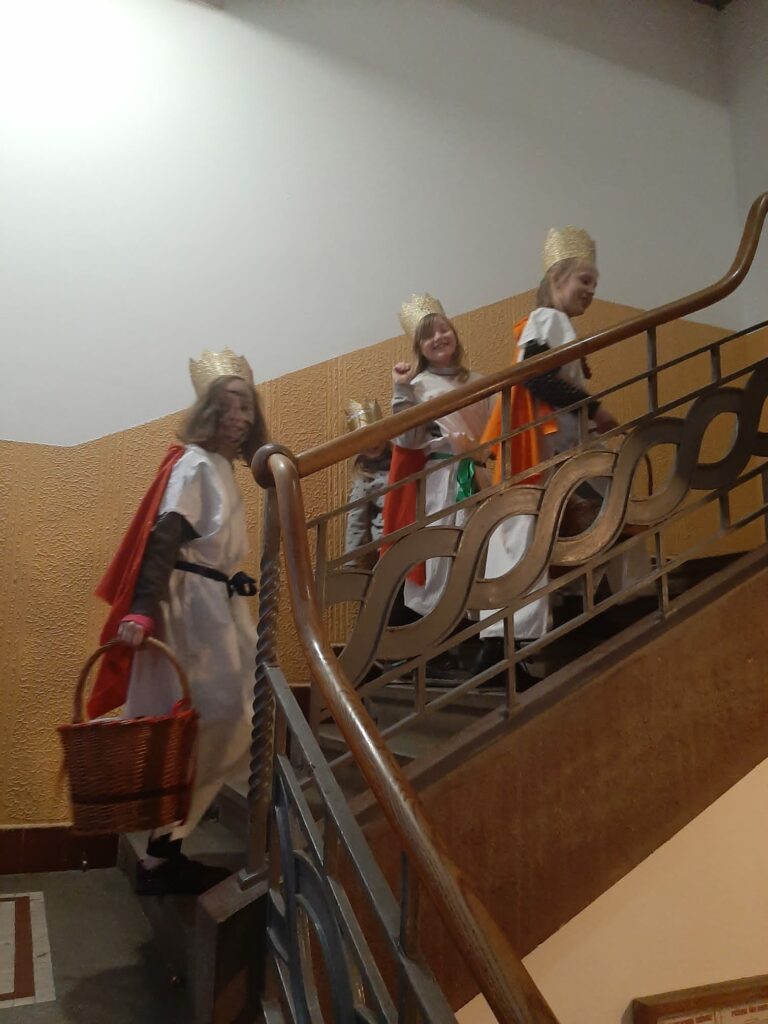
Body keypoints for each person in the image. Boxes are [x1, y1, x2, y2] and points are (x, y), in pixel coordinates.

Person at [88, 349, 268, 895]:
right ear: (209, 412)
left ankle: (166, 850)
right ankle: (162, 855)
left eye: (246, 406)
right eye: (228, 406)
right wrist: (143, 608)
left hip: (216, 602)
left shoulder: (220, 467)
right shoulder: (193, 463)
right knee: (206, 717)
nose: (239, 417)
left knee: (234, 714)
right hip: (191, 608)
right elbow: (163, 536)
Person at [384, 294, 492, 624]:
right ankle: (440, 624)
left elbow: (495, 431)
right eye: (427, 335)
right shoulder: (417, 386)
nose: (438, 338)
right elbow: (407, 440)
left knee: (480, 545)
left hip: (479, 476)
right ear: (419, 347)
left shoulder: (480, 382)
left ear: (454, 333)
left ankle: (477, 623)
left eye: (443, 329)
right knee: (441, 548)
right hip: (440, 480)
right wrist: (401, 390)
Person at [343, 399, 391, 565]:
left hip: (416, 533)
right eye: (363, 439)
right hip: (389, 547)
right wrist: (350, 564)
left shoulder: (401, 459)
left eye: (375, 435)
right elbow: (356, 523)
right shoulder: (364, 478)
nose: (372, 443)